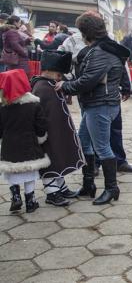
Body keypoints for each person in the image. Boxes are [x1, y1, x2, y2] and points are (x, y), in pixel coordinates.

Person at [56, 11, 130, 205]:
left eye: (81, 30)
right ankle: (89, 184)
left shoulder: (100, 52)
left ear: (86, 31)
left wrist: (65, 87)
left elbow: (88, 81)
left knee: (102, 147)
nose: (80, 34)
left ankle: (112, 188)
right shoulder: (105, 48)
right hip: (99, 103)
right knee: (84, 143)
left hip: (100, 105)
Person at [31, 50, 84, 206]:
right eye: (58, 74)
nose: (60, 77)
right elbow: (38, 114)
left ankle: (60, 187)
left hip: (56, 131)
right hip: (46, 134)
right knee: (50, 160)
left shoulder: (50, 83)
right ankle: (51, 192)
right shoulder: (41, 87)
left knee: (58, 157)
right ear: (48, 71)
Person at [0, 69, 49, 213]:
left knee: (12, 172)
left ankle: (15, 197)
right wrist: (41, 137)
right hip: (29, 145)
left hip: (9, 146)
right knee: (29, 173)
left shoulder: (2, 107)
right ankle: (30, 201)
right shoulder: (33, 105)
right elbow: (41, 125)